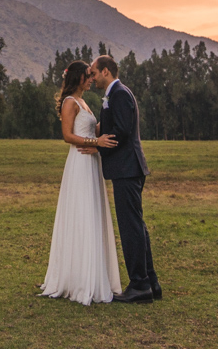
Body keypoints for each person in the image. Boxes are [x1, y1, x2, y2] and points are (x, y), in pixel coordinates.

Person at [39, 60, 122, 305]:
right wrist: (95, 143)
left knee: (92, 213)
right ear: (77, 78)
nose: (91, 79)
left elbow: (90, 128)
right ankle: (78, 278)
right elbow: (67, 136)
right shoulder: (69, 103)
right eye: (87, 76)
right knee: (82, 214)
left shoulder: (84, 102)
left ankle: (93, 274)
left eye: (91, 75)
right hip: (80, 162)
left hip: (91, 163)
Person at [89, 54, 160, 303]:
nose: (92, 77)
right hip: (129, 169)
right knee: (137, 226)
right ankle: (150, 282)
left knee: (131, 229)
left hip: (127, 169)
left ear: (106, 71)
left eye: (94, 73)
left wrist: (97, 146)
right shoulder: (117, 93)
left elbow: (121, 131)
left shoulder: (118, 94)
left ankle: (140, 285)